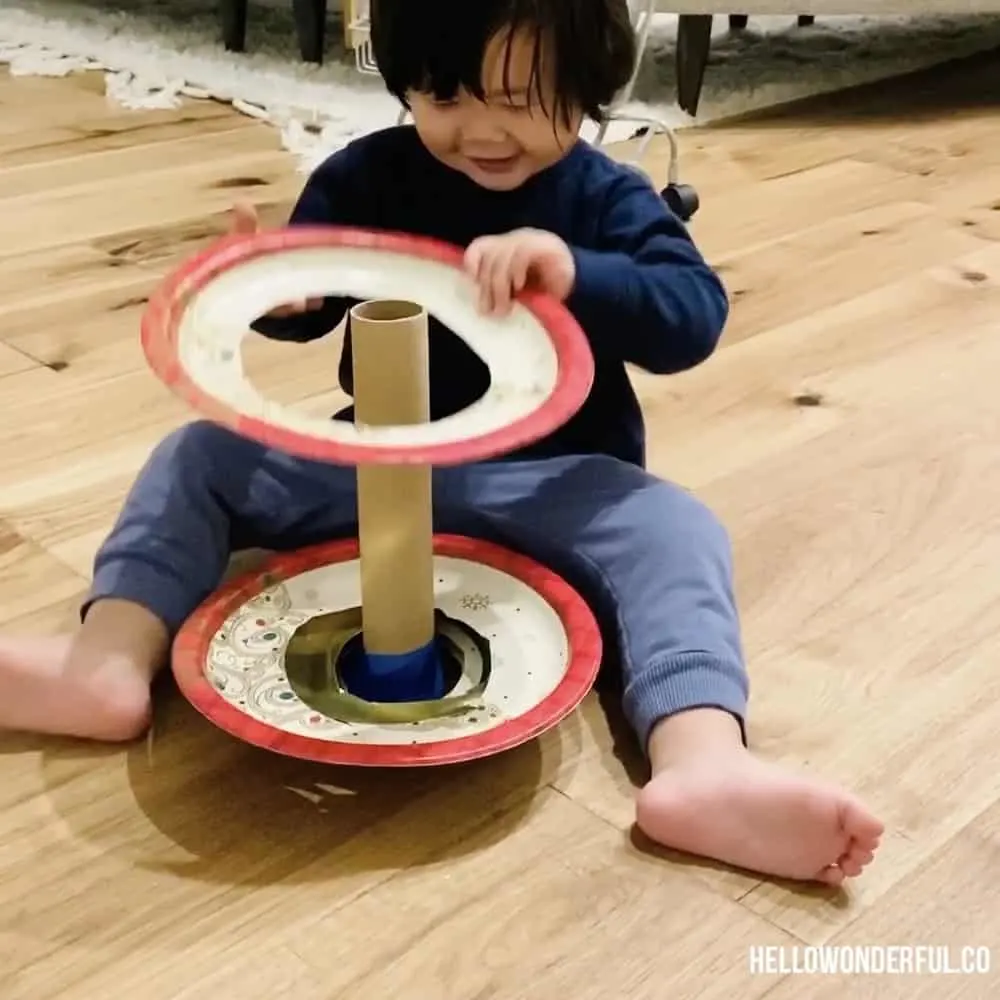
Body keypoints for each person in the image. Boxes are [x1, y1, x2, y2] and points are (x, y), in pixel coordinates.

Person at [0, 0, 882, 885]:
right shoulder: (368, 175)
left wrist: (577, 272)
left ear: (584, 88)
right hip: (378, 464)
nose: (479, 130)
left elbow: (693, 316)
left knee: (676, 529)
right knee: (197, 456)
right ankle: (107, 663)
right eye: (443, 96)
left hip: (548, 480)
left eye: (517, 97)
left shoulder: (605, 196)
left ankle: (704, 764)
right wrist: (273, 287)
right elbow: (306, 302)